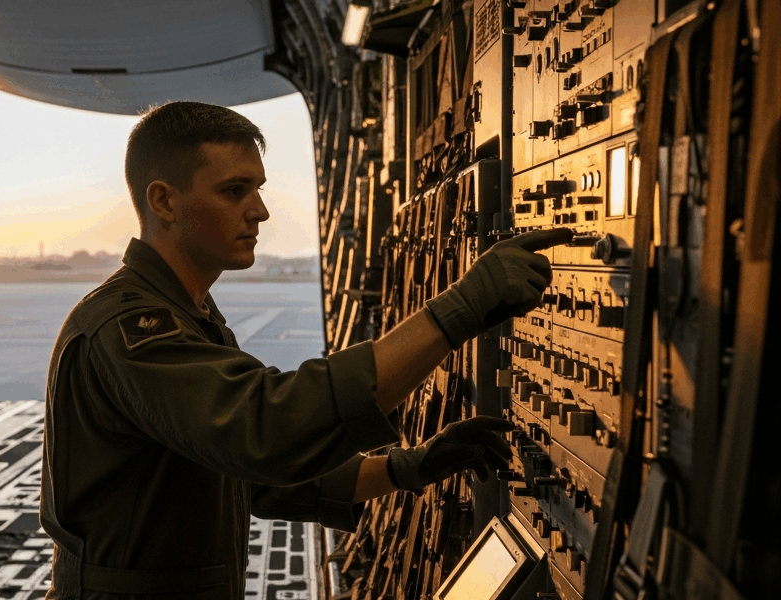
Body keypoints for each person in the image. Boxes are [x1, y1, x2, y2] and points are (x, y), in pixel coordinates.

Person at [40, 101, 573, 599]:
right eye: (234, 191)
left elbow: (249, 480)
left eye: (258, 189)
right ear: (164, 201)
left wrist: (411, 467)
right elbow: (268, 432)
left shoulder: (191, 316)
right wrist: (460, 309)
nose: (260, 212)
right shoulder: (130, 330)